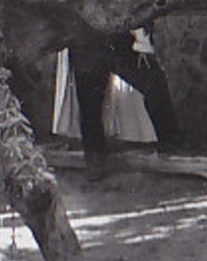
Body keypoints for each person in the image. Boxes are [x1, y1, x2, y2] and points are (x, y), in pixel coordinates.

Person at [67, 23, 180, 180]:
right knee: (89, 106)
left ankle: (172, 148)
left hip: (112, 40)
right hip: (88, 42)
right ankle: (95, 160)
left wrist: (142, 41)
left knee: (154, 84)